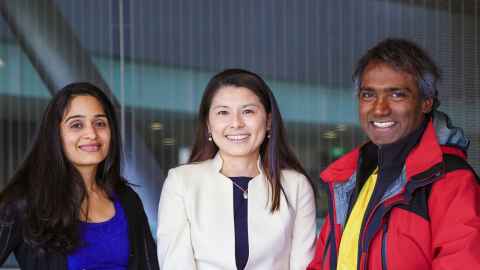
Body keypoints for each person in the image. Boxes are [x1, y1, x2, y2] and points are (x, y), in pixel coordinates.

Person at [307, 38, 480, 270]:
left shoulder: (451, 180)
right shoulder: (348, 179)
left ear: (426, 102)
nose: (380, 108)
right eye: (368, 95)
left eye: (397, 94)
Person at [157, 68, 317, 269]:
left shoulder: (296, 186)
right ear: (208, 123)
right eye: (223, 112)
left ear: (268, 121)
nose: (236, 123)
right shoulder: (181, 182)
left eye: (248, 111)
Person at [0, 82, 159, 270]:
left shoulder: (127, 199)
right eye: (76, 125)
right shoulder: (23, 203)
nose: (91, 134)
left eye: (100, 123)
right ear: (55, 135)